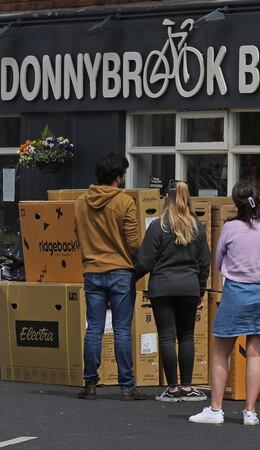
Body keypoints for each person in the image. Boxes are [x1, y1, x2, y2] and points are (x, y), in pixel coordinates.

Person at [189, 180, 260, 426]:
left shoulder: (230, 228)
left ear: (236, 202)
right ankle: (250, 412)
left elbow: (219, 260)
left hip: (237, 292)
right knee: (255, 353)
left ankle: (216, 408)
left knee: (221, 350)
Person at [75, 152, 146, 401]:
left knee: (93, 328)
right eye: (123, 174)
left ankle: (90, 383)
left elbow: (78, 234)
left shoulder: (82, 201)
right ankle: (127, 386)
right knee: (122, 330)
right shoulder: (124, 202)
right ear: (118, 177)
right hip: (120, 272)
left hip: (92, 271)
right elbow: (134, 243)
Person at [134, 180, 211, 402]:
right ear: (187, 199)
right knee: (186, 336)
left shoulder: (158, 226)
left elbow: (144, 261)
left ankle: (172, 388)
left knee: (167, 338)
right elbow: (204, 262)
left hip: (162, 288)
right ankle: (187, 387)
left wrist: (131, 280)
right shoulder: (197, 227)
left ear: (166, 199)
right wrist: (201, 290)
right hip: (189, 287)